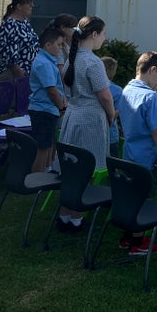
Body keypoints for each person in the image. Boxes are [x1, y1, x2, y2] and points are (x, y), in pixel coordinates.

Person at [57, 16, 114, 233]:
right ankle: (77, 217)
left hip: (73, 115)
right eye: (104, 33)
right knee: (86, 169)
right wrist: (111, 115)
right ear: (94, 35)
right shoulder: (93, 61)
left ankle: (65, 214)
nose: (104, 38)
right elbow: (105, 96)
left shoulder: (71, 58)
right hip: (90, 118)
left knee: (72, 168)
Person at [117, 52, 157, 256]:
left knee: (130, 195)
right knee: (144, 198)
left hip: (129, 152)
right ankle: (138, 241)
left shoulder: (126, 89)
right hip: (146, 155)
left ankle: (127, 236)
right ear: (152, 70)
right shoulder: (150, 96)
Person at [27, 26, 67, 172]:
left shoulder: (48, 61)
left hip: (48, 110)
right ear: (48, 45)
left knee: (49, 144)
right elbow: (51, 90)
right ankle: (36, 177)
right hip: (43, 110)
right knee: (43, 148)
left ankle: (47, 170)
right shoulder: (43, 63)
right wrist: (61, 106)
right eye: (58, 45)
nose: (61, 48)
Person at [0, 0, 39, 81]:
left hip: (28, 71)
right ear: (19, 6)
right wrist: (18, 71)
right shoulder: (9, 24)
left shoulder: (25, 22)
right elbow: (8, 51)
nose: (32, 6)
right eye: (29, 4)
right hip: (14, 74)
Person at [100, 55, 123, 158]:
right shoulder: (117, 90)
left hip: (94, 132)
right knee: (111, 167)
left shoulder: (92, 87)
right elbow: (119, 111)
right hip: (111, 134)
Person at [49, 13, 79, 79]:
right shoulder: (58, 47)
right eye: (73, 28)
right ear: (63, 27)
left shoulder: (66, 44)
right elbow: (61, 72)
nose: (75, 31)